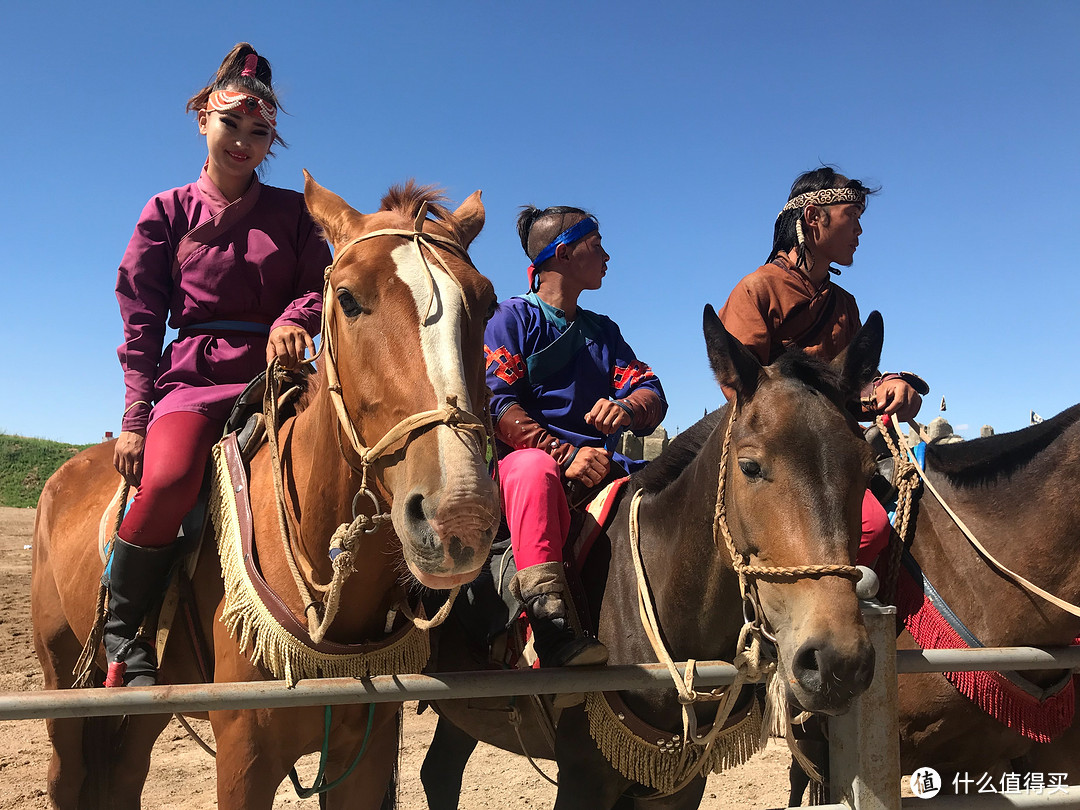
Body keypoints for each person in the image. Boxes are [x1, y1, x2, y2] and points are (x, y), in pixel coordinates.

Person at [108, 43, 331, 687]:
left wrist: (293, 319)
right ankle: (128, 633)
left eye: (260, 132)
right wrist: (135, 417)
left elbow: (322, 283)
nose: (244, 142)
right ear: (204, 117)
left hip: (280, 374)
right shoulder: (166, 211)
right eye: (232, 124)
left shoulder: (294, 213)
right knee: (172, 477)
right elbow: (142, 319)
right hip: (196, 375)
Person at [484, 206, 667, 667]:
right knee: (532, 470)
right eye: (597, 244)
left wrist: (625, 407)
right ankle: (549, 627)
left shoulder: (603, 331)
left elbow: (651, 390)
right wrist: (563, 454)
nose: (607, 256)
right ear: (564, 254)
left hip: (605, 469)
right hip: (526, 472)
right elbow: (496, 404)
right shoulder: (509, 319)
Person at [717, 167, 928, 565]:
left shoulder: (845, 304)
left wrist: (886, 389)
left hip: (836, 451)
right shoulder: (756, 290)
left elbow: (851, 388)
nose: (860, 231)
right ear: (814, 217)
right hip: (777, 457)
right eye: (854, 216)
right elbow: (746, 392)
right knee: (872, 527)